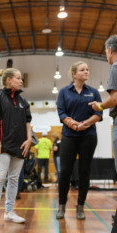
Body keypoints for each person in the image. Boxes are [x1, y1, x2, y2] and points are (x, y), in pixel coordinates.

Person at [0, 67, 32, 229]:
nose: (21, 80)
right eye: (18, 78)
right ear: (9, 80)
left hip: (20, 146)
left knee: (13, 179)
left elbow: (28, 122)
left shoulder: (23, 102)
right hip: (3, 145)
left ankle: (9, 212)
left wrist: (29, 139)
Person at [56, 61, 102, 220]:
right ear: (74, 74)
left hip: (88, 137)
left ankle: (80, 206)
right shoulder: (63, 92)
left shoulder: (94, 92)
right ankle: (61, 206)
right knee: (65, 173)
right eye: (82, 70)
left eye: (87, 70)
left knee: (84, 172)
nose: (86, 72)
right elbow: (61, 112)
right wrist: (73, 125)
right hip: (69, 136)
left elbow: (99, 114)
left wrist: (86, 124)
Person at [90, 35, 117, 171]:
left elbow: (114, 99)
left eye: (106, 51)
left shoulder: (115, 67)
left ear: (110, 50)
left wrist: (99, 106)